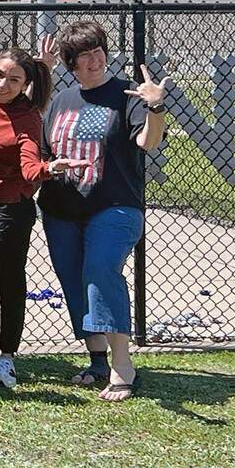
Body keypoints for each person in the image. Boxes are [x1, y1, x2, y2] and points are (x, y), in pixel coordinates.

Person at [0, 43, 90, 388]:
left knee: (6, 281)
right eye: (0, 75)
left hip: (8, 209)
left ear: (25, 86)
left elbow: (29, 168)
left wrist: (51, 168)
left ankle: (6, 356)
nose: (3, 84)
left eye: (14, 80)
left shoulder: (27, 118)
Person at [37, 21, 169, 402]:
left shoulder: (128, 96)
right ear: (71, 63)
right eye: (84, 55)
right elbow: (43, 152)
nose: (94, 60)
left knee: (100, 270)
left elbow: (148, 140)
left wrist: (156, 106)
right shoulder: (61, 101)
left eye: (98, 51)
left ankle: (122, 366)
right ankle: (96, 359)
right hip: (61, 207)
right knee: (74, 278)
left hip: (115, 206)